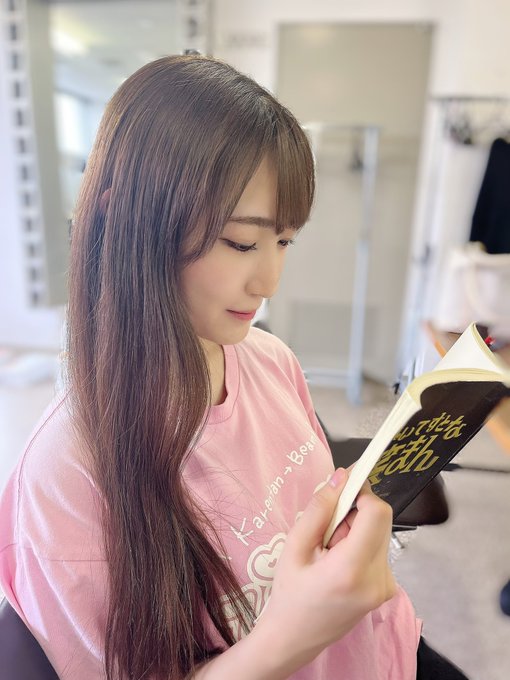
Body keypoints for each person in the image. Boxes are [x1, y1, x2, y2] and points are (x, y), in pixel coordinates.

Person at [0, 54, 467, 680]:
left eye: (284, 241)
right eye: (241, 242)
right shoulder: (64, 477)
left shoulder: (270, 360)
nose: (268, 280)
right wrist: (291, 637)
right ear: (124, 220)